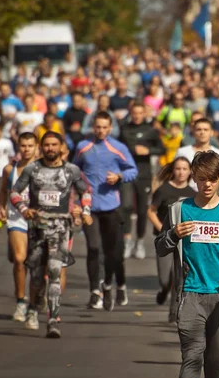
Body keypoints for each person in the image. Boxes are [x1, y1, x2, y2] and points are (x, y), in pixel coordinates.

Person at [154, 150, 219, 378]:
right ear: (194, 177)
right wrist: (174, 234)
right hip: (190, 296)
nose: (207, 184)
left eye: (212, 178)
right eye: (201, 178)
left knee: (216, 367)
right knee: (192, 357)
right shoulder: (179, 210)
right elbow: (160, 248)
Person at [9, 131, 93, 338]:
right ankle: (33, 309)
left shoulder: (71, 170)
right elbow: (14, 191)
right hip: (37, 227)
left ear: (61, 147)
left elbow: (86, 191)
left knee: (55, 272)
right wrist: (24, 210)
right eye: (46, 145)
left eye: (54, 145)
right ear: (42, 146)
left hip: (61, 228)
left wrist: (85, 212)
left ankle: (53, 320)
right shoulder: (32, 169)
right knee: (37, 276)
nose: (50, 148)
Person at [73, 112, 138, 310]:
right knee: (94, 248)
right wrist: (75, 199)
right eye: (98, 127)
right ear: (93, 127)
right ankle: (95, 291)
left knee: (113, 253)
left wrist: (119, 176)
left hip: (111, 206)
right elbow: (73, 171)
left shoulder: (118, 148)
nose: (101, 130)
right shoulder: (83, 147)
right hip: (89, 207)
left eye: (104, 127)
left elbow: (133, 170)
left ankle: (120, 285)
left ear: (110, 128)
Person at [147, 157, 196, 322]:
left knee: (179, 277)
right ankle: (163, 291)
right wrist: (163, 229)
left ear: (190, 172)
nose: (181, 172)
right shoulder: (163, 190)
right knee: (165, 279)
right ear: (173, 171)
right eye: (178, 169)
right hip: (165, 240)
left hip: (184, 243)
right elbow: (151, 211)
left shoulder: (193, 194)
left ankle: (174, 311)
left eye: (184, 169)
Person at [0, 132, 38, 324]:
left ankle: (34, 306)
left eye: (30, 146)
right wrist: (1, 206)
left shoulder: (43, 168)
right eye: (23, 146)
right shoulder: (9, 169)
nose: (27, 149)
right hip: (16, 219)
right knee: (20, 259)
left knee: (36, 264)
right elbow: (3, 189)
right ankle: (21, 301)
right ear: (18, 147)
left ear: (36, 147)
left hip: (39, 220)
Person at [119, 102, 166, 260]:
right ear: (131, 113)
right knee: (125, 206)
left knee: (141, 210)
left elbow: (162, 149)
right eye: (135, 113)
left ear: (144, 114)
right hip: (126, 172)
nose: (137, 116)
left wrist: (148, 151)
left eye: (140, 113)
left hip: (143, 173)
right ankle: (127, 240)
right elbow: (117, 148)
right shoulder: (124, 129)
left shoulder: (150, 130)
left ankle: (139, 241)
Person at [175, 118, 219, 194]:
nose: (202, 132)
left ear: (211, 132)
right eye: (199, 129)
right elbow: (172, 173)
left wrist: (218, 178)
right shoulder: (182, 152)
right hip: (185, 195)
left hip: (209, 196)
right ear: (193, 132)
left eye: (206, 129)